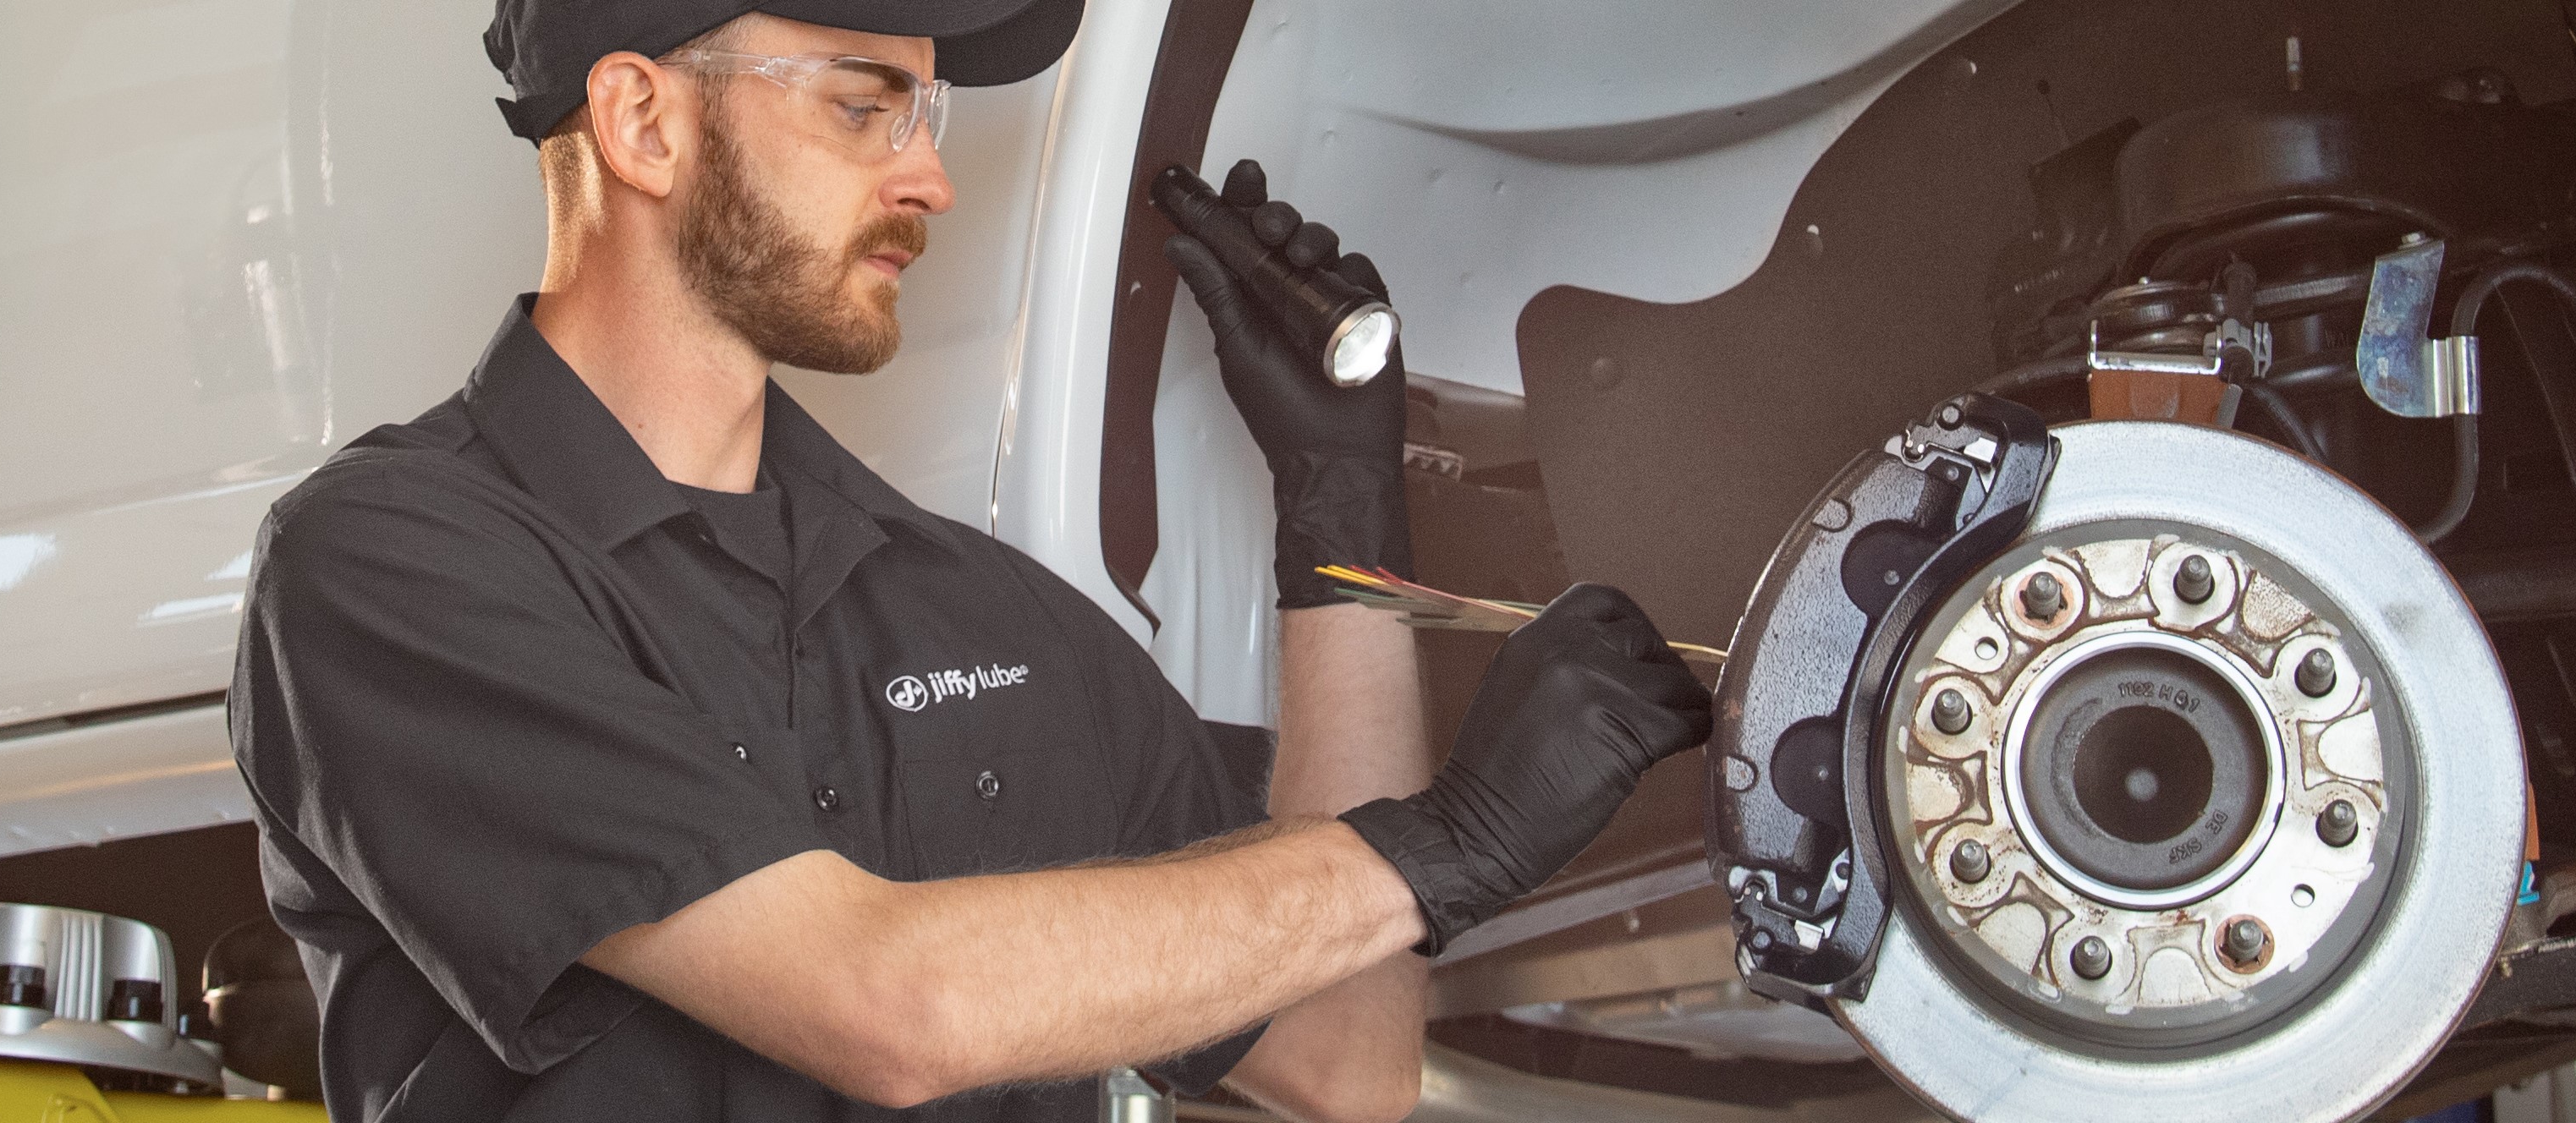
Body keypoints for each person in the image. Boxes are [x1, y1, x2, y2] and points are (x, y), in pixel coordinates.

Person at [228, 0, 1712, 1119]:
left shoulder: (985, 611)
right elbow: (887, 1003)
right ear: (642, 123)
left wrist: (1339, 519)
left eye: (926, 116)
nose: (931, 180)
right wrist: (1453, 841)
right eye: (868, 107)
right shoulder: (389, 569)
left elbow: (1347, 1057)